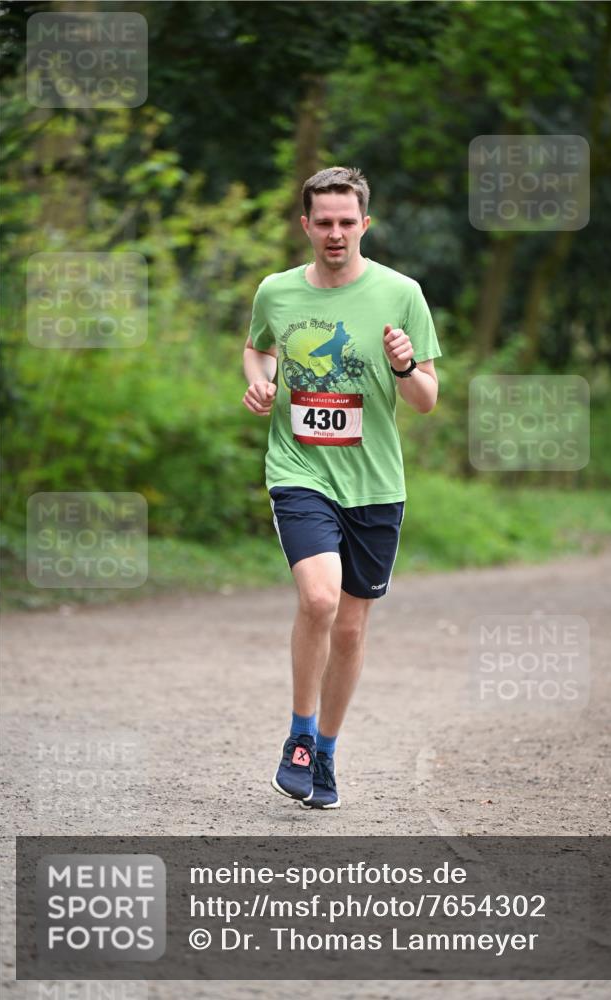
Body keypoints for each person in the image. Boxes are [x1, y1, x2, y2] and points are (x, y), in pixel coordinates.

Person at [242, 166, 441, 809]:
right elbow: (258, 348)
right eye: (323, 222)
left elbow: (426, 399)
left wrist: (405, 363)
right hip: (299, 470)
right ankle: (299, 739)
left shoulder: (401, 293)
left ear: (365, 224)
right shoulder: (276, 292)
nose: (334, 233)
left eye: (346, 222)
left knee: (352, 629)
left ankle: (325, 754)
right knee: (321, 600)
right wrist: (262, 380)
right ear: (305, 225)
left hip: (376, 483)